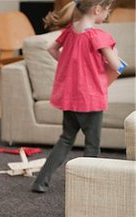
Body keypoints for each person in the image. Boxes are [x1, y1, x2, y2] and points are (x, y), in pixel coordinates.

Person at [31, 0, 121, 193]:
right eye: (107, 11)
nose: (107, 15)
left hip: (70, 98)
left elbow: (51, 49)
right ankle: (88, 189)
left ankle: (40, 181)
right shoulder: (98, 35)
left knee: (65, 139)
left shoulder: (70, 31)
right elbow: (116, 65)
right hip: (90, 99)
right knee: (92, 146)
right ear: (97, 10)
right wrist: (115, 55)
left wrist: (67, 63)